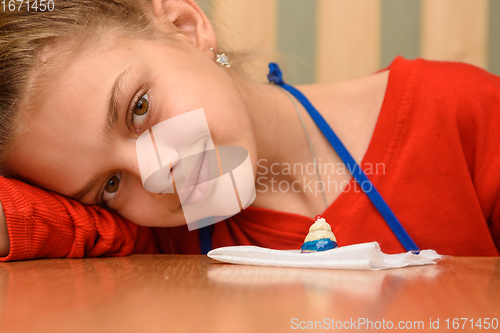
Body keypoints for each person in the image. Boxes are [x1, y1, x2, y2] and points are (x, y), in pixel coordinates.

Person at [0, 0, 498, 262]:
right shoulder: (155, 235)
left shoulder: (462, 115)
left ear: (184, 26)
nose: (158, 176)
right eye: (109, 185)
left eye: (139, 108)